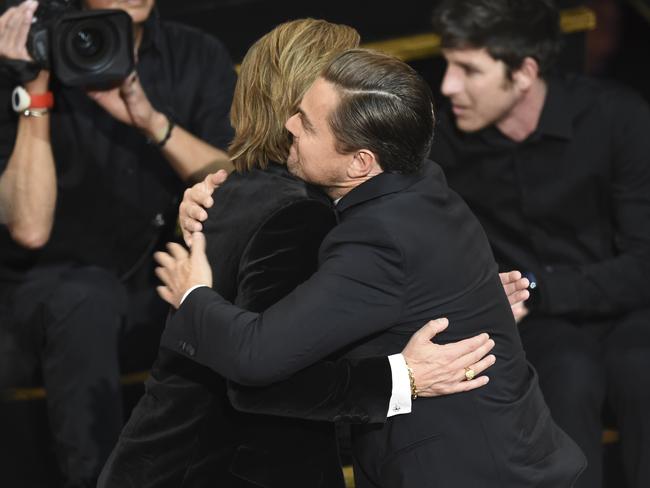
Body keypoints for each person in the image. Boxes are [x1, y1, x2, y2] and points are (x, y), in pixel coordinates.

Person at [98, 19, 504, 488]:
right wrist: (402, 379)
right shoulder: (297, 214)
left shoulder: (244, 189)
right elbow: (266, 380)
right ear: (302, 103)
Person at [155, 48, 586, 487]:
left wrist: (193, 296)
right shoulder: (421, 183)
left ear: (360, 161)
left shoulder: (379, 240)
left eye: (306, 122)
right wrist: (216, 203)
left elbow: (255, 357)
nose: (289, 126)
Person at [0, 0, 235, 485]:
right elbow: (29, 227)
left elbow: (240, 188)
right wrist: (34, 92)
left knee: (223, 290)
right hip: (33, 300)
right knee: (84, 299)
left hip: (148, 283)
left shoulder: (193, 54)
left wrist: (151, 121)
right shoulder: (21, 59)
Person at [429, 1, 650, 486]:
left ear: (524, 72)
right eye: (449, 65)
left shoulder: (616, 118)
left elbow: (642, 266)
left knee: (641, 368)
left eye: (468, 69)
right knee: (567, 375)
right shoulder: (444, 148)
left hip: (629, 309)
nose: (448, 86)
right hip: (536, 327)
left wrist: (539, 287)